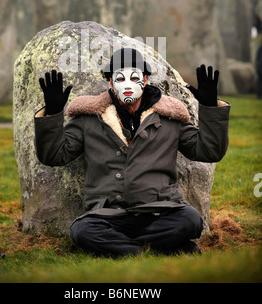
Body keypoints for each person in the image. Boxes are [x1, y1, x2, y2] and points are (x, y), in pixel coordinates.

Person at [34, 48, 230, 257]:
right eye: (120, 78)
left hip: (160, 211)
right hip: (108, 214)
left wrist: (210, 107)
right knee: (82, 231)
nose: (127, 84)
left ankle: (123, 249)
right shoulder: (88, 119)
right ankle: (162, 249)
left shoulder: (170, 117)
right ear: (110, 83)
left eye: (135, 77)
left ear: (145, 80)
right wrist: (53, 112)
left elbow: (209, 151)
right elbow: (53, 155)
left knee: (190, 220)